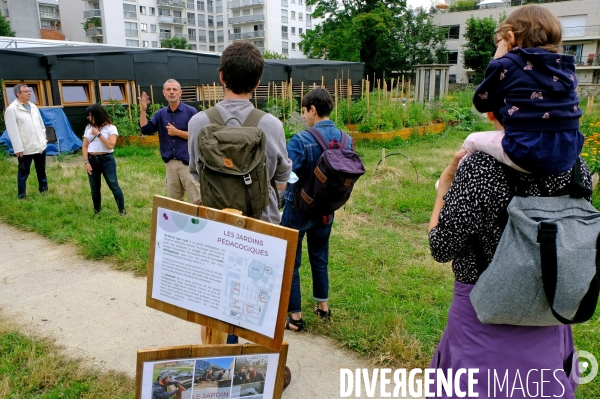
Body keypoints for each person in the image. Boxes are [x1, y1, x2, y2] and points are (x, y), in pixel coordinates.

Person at [427, 130, 589, 396]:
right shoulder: (574, 164)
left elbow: (443, 247)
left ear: (494, 114)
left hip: (481, 318)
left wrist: (445, 184)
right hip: (548, 311)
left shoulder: (480, 167)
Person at [188, 41, 292, 343]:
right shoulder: (270, 125)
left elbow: (195, 170)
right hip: (262, 225)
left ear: (221, 77)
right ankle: (262, 365)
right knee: (262, 296)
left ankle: (225, 356)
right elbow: (282, 175)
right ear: (257, 83)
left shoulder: (199, 122)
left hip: (216, 224)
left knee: (221, 295)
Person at [470, 4, 583, 175]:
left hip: (525, 152)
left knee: (471, 141)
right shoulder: (566, 66)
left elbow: (481, 102)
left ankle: (455, 183)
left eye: (498, 45)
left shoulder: (505, 64)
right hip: (569, 150)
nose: (496, 53)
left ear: (510, 38)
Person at [281, 88, 349, 331]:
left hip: (299, 207)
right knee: (320, 258)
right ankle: (323, 307)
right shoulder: (345, 138)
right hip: (327, 209)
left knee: (291, 261)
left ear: (312, 109)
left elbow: (286, 173)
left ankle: (295, 317)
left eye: (304, 110)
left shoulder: (300, 140)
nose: (304, 116)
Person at [140, 79, 201, 204]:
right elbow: (146, 129)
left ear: (180, 92)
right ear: (164, 93)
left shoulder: (191, 112)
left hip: (188, 163)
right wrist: (143, 110)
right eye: (168, 89)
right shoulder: (160, 114)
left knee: (196, 200)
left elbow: (198, 136)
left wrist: (177, 132)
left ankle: (196, 223)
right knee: (174, 202)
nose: (171, 92)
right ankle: (180, 223)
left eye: (174, 89)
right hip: (170, 164)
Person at [4, 84, 48, 199]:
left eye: (29, 91)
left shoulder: (33, 106)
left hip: (39, 146)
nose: (29, 93)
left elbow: (41, 125)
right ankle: (21, 195)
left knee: (41, 170)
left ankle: (44, 191)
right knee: (24, 173)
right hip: (25, 148)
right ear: (18, 94)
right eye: (26, 91)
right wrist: (18, 148)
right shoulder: (12, 109)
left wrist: (44, 139)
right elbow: (12, 131)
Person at [82, 104, 126, 216]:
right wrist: (86, 162)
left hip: (106, 159)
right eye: (88, 116)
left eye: (90, 115)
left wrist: (98, 134)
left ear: (98, 115)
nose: (88, 118)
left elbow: (110, 145)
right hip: (92, 159)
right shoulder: (88, 128)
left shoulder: (111, 128)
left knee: (113, 185)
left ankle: (122, 210)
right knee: (94, 187)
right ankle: (97, 211)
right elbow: (85, 146)